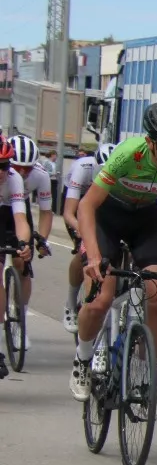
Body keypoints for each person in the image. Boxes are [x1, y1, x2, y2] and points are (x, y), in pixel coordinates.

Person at [71, 102, 157, 400]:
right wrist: (93, 256)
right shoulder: (128, 154)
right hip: (109, 218)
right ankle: (82, 357)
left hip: (146, 220)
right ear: (150, 142)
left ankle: (144, 372)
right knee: (100, 299)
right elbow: (87, 206)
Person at [59, 140, 117, 332]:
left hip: (102, 200)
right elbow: (69, 213)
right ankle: (70, 302)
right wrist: (84, 232)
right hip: (79, 204)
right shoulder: (83, 168)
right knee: (82, 251)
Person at [3, 134, 55, 343]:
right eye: (18, 166)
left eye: (28, 168)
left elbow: (45, 212)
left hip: (18, 210)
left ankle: (20, 319)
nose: (23, 172)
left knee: (22, 262)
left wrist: (41, 240)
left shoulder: (40, 176)